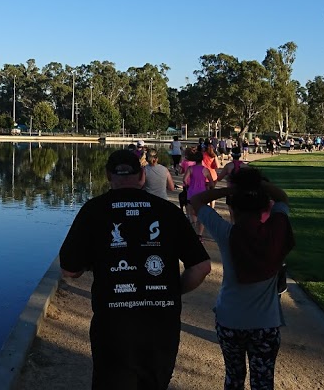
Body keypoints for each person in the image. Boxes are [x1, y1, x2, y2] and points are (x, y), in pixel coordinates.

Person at [60, 150, 212, 390]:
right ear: (142, 176)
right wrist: (173, 290)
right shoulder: (168, 212)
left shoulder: (93, 210)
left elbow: (69, 269)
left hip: (113, 325)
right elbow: (202, 267)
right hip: (161, 325)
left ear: (108, 175)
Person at [188, 167, 294, 390]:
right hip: (265, 324)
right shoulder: (276, 231)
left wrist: (231, 191)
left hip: (230, 320)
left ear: (232, 208)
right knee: (263, 382)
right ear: (266, 207)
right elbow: (282, 198)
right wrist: (257, 187)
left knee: (234, 378)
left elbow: (197, 199)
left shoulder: (227, 234)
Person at [183, 150, 215, 238]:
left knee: (192, 213)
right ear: (202, 159)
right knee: (201, 214)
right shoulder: (206, 170)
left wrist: (187, 186)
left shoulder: (190, 169)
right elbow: (212, 183)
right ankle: (200, 235)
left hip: (191, 193)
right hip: (202, 195)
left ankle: (193, 231)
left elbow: (184, 180)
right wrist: (206, 185)